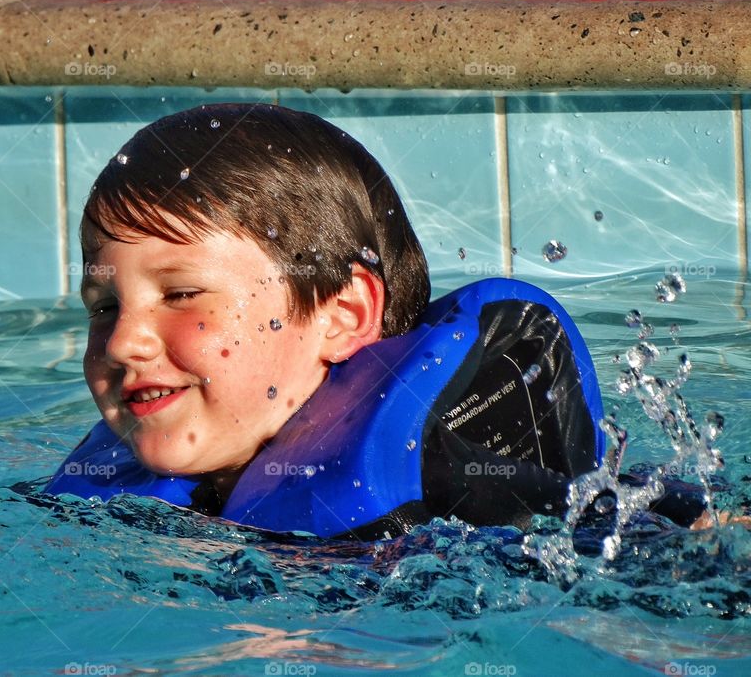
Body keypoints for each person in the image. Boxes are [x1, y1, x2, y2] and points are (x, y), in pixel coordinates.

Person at [45, 103, 709, 540]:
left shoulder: (437, 473)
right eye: (105, 306)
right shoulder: (114, 492)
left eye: (183, 293)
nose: (124, 342)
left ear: (342, 314)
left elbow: (672, 527)